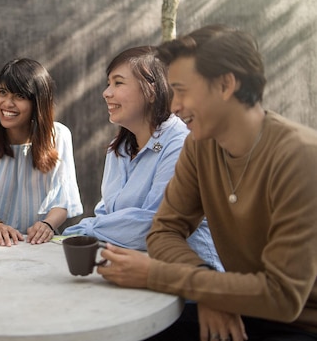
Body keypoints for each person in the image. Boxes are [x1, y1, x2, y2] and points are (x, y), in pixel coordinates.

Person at [98, 25, 317, 341]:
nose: (174, 106)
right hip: (241, 307)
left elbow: (282, 296)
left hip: (300, 324)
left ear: (226, 85)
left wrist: (161, 276)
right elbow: (164, 230)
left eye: (183, 91)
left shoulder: (300, 156)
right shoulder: (199, 147)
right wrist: (208, 289)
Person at [63, 46, 220, 268]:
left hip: (189, 280)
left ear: (151, 90)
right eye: (108, 83)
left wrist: (85, 229)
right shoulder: (118, 149)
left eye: (118, 83)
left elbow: (154, 225)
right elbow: (107, 211)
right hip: (131, 268)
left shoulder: (181, 144)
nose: (106, 92)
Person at [0, 58, 83, 246]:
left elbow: (62, 199)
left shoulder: (59, 136)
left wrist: (47, 225)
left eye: (20, 96)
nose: (7, 103)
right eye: (2, 92)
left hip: (38, 243)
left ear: (38, 102)